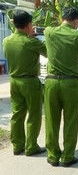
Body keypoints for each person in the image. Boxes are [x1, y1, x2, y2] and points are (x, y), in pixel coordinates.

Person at [44, 8, 78, 167]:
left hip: (51, 83)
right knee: (70, 121)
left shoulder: (49, 32)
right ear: (76, 21)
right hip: (71, 84)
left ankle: (52, 156)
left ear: (62, 18)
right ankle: (67, 157)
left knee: (51, 121)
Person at [2, 10, 47, 156]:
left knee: (17, 114)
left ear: (14, 23)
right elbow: (48, 52)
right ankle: (31, 146)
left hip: (14, 81)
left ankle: (17, 145)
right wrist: (36, 38)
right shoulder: (31, 42)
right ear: (29, 24)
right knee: (34, 114)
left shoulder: (6, 41)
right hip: (30, 82)